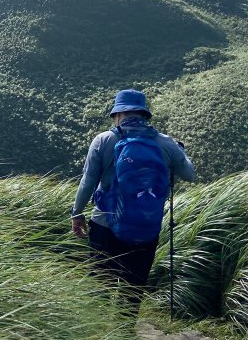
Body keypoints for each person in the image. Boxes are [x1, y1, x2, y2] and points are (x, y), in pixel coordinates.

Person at [71, 89, 194, 307]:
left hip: (104, 225)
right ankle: (126, 334)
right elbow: (189, 175)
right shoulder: (165, 143)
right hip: (144, 226)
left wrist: (77, 213)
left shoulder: (103, 140)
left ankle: (98, 337)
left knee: (100, 287)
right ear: (144, 115)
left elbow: (88, 180)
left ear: (117, 115)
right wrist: (181, 152)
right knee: (133, 289)